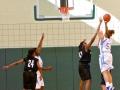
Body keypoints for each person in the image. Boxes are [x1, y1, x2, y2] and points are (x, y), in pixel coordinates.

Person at [78, 18, 102, 90]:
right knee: (89, 80)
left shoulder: (81, 49)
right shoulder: (85, 48)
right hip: (84, 65)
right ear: (83, 45)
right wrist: (96, 33)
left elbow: (83, 44)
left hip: (80, 65)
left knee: (83, 80)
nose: (86, 44)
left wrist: (83, 41)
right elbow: (92, 41)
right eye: (85, 43)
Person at [97, 19, 115, 90]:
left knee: (104, 71)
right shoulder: (109, 39)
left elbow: (97, 31)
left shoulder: (103, 39)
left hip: (104, 56)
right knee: (108, 71)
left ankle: (107, 86)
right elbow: (107, 31)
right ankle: (111, 85)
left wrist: (100, 23)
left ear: (105, 34)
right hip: (109, 55)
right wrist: (105, 24)